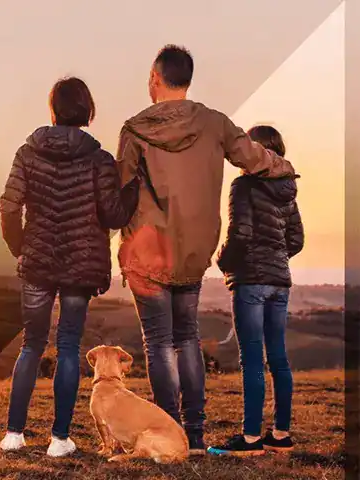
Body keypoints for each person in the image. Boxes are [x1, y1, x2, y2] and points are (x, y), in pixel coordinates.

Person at [115, 45, 296, 454]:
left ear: (155, 78)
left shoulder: (135, 130)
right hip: (195, 252)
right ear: (188, 79)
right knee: (186, 338)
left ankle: (170, 432)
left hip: (148, 253)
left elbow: (119, 193)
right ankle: (195, 436)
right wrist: (285, 168)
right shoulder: (215, 124)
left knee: (159, 343)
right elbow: (254, 158)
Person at [0, 77, 139, 457]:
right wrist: (132, 188)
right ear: (87, 110)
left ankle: (13, 435)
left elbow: (9, 206)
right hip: (80, 266)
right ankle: (59, 440)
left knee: (31, 344)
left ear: (53, 110)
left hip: (38, 264)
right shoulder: (99, 159)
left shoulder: (27, 153)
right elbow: (113, 215)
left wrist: (21, 247)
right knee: (69, 347)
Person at [209, 126, 303, 456]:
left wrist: (222, 262)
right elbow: (296, 240)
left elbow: (241, 234)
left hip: (250, 280)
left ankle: (250, 439)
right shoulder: (287, 188)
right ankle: (281, 435)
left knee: (252, 359)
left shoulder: (244, 185)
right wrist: (275, 259)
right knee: (278, 358)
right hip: (280, 282)